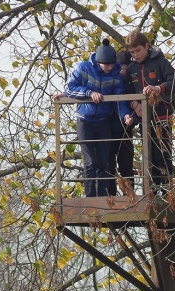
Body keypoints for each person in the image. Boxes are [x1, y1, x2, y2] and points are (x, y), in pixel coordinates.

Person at [65, 39, 134, 197]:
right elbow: (69, 87)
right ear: (98, 62)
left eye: (111, 64)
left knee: (103, 163)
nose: (109, 67)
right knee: (90, 162)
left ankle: (103, 198)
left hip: (103, 122)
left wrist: (125, 115)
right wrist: (88, 93)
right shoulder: (84, 68)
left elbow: (119, 100)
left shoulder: (116, 74)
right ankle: (90, 197)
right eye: (106, 65)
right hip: (85, 121)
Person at [124, 30, 175, 193]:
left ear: (146, 46)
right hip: (144, 119)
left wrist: (158, 88)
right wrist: (135, 103)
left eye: (138, 51)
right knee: (148, 155)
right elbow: (127, 91)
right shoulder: (131, 69)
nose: (135, 55)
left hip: (162, 116)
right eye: (132, 52)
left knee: (162, 154)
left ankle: (167, 191)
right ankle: (153, 191)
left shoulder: (160, 62)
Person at [108, 50, 138, 196]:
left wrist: (132, 119)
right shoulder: (110, 79)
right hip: (107, 130)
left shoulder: (133, 82)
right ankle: (111, 198)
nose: (123, 71)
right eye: (120, 67)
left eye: (126, 67)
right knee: (109, 166)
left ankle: (129, 197)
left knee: (126, 166)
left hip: (125, 130)